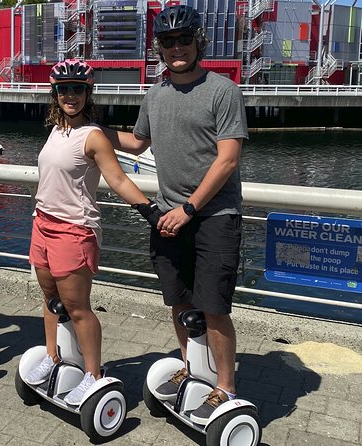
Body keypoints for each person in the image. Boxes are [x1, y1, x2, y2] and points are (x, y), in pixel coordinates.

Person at [104, 5, 248, 423]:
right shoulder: (155, 94)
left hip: (214, 216)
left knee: (214, 306)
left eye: (184, 39)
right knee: (180, 300)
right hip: (170, 216)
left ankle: (225, 386)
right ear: (159, 49)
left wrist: (188, 208)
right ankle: (191, 366)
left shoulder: (223, 91)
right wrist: (91, 126)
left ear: (198, 42)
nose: (176, 48)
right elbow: (137, 144)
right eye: (167, 42)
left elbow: (227, 161)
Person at [25, 59, 163, 405]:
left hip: (74, 230)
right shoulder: (57, 128)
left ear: (89, 93)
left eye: (77, 89)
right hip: (42, 223)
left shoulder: (94, 136)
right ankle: (54, 356)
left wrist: (148, 210)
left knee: (77, 306)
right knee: (50, 300)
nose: (70, 95)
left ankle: (93, 373)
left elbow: (117, 178)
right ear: (54, 94)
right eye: (63, 89)